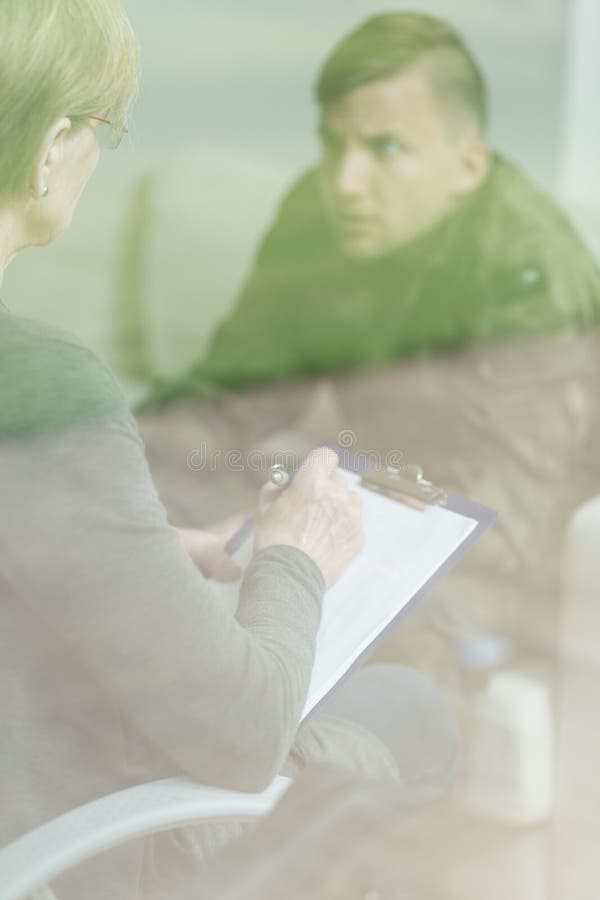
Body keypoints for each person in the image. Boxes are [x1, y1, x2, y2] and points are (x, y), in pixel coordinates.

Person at [0, 4, 458, 900]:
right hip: (74, 844)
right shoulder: (39, 388)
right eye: (106, 132)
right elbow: (242, 737)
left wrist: (165, 552)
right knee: (415, 712)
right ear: (53, 144)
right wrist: (297, 554)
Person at [166, 11, 600, 393]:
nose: (345, 183)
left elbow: (511, 474)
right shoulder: (313, 207)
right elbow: (232, 398)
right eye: (333, 144)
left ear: (469, 167)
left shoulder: (530, 267)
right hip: (379, 467)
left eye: (386, 149)